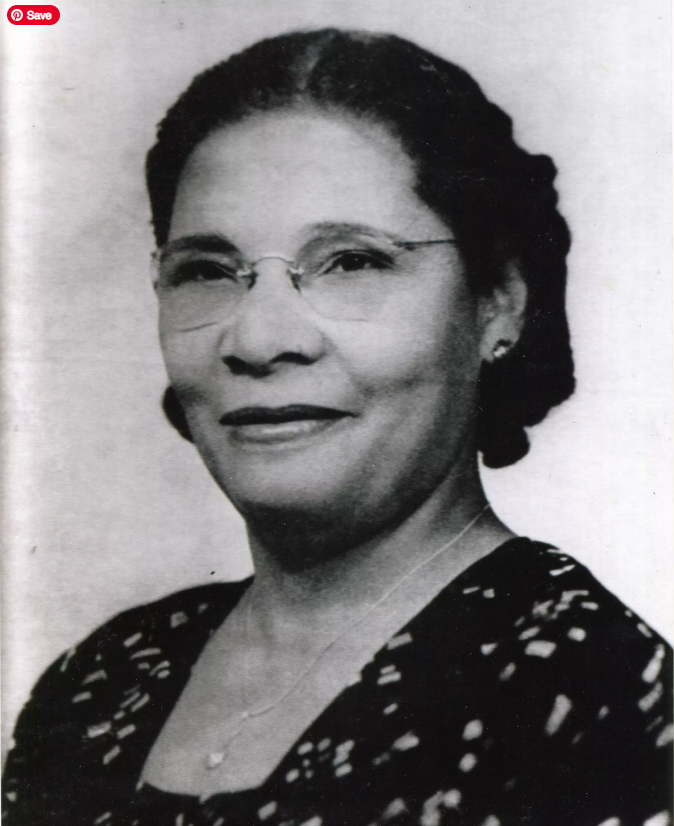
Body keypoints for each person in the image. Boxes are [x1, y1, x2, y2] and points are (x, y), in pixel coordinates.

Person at [3, 28, 671, 826]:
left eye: (352, 261)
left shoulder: (591, 694)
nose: (257, 339)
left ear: (499, 303)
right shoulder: (98, 683)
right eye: (208, 271)